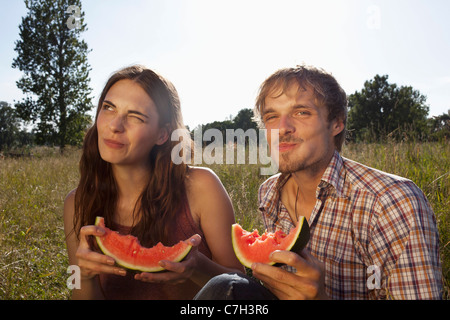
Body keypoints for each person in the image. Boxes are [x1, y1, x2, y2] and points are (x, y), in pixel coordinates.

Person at [194, 65, 443, 300]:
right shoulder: (269, 193)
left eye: (301, 112)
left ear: (336, 123)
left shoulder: (391, 201)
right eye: (271, 117)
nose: (282, 129)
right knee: (226, 287)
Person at [63, 65, 244, 299]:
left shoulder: (201, 187)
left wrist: (197, 267)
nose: (115, 126)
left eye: (135, 117)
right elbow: (76, 285)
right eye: (109, 108)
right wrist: (85, 275)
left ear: (162, 134)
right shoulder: (76, 202)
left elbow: (240, 286)